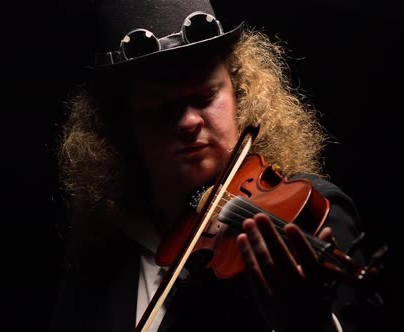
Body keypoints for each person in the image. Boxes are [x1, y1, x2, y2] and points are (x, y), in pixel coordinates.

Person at [49, 1, 383, 331]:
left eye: (206, 97)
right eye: (163, 108)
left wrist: (311, 325)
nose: (190, 121)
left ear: (240, 94)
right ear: (124, 126)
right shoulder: (102, 255)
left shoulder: (312, 210)